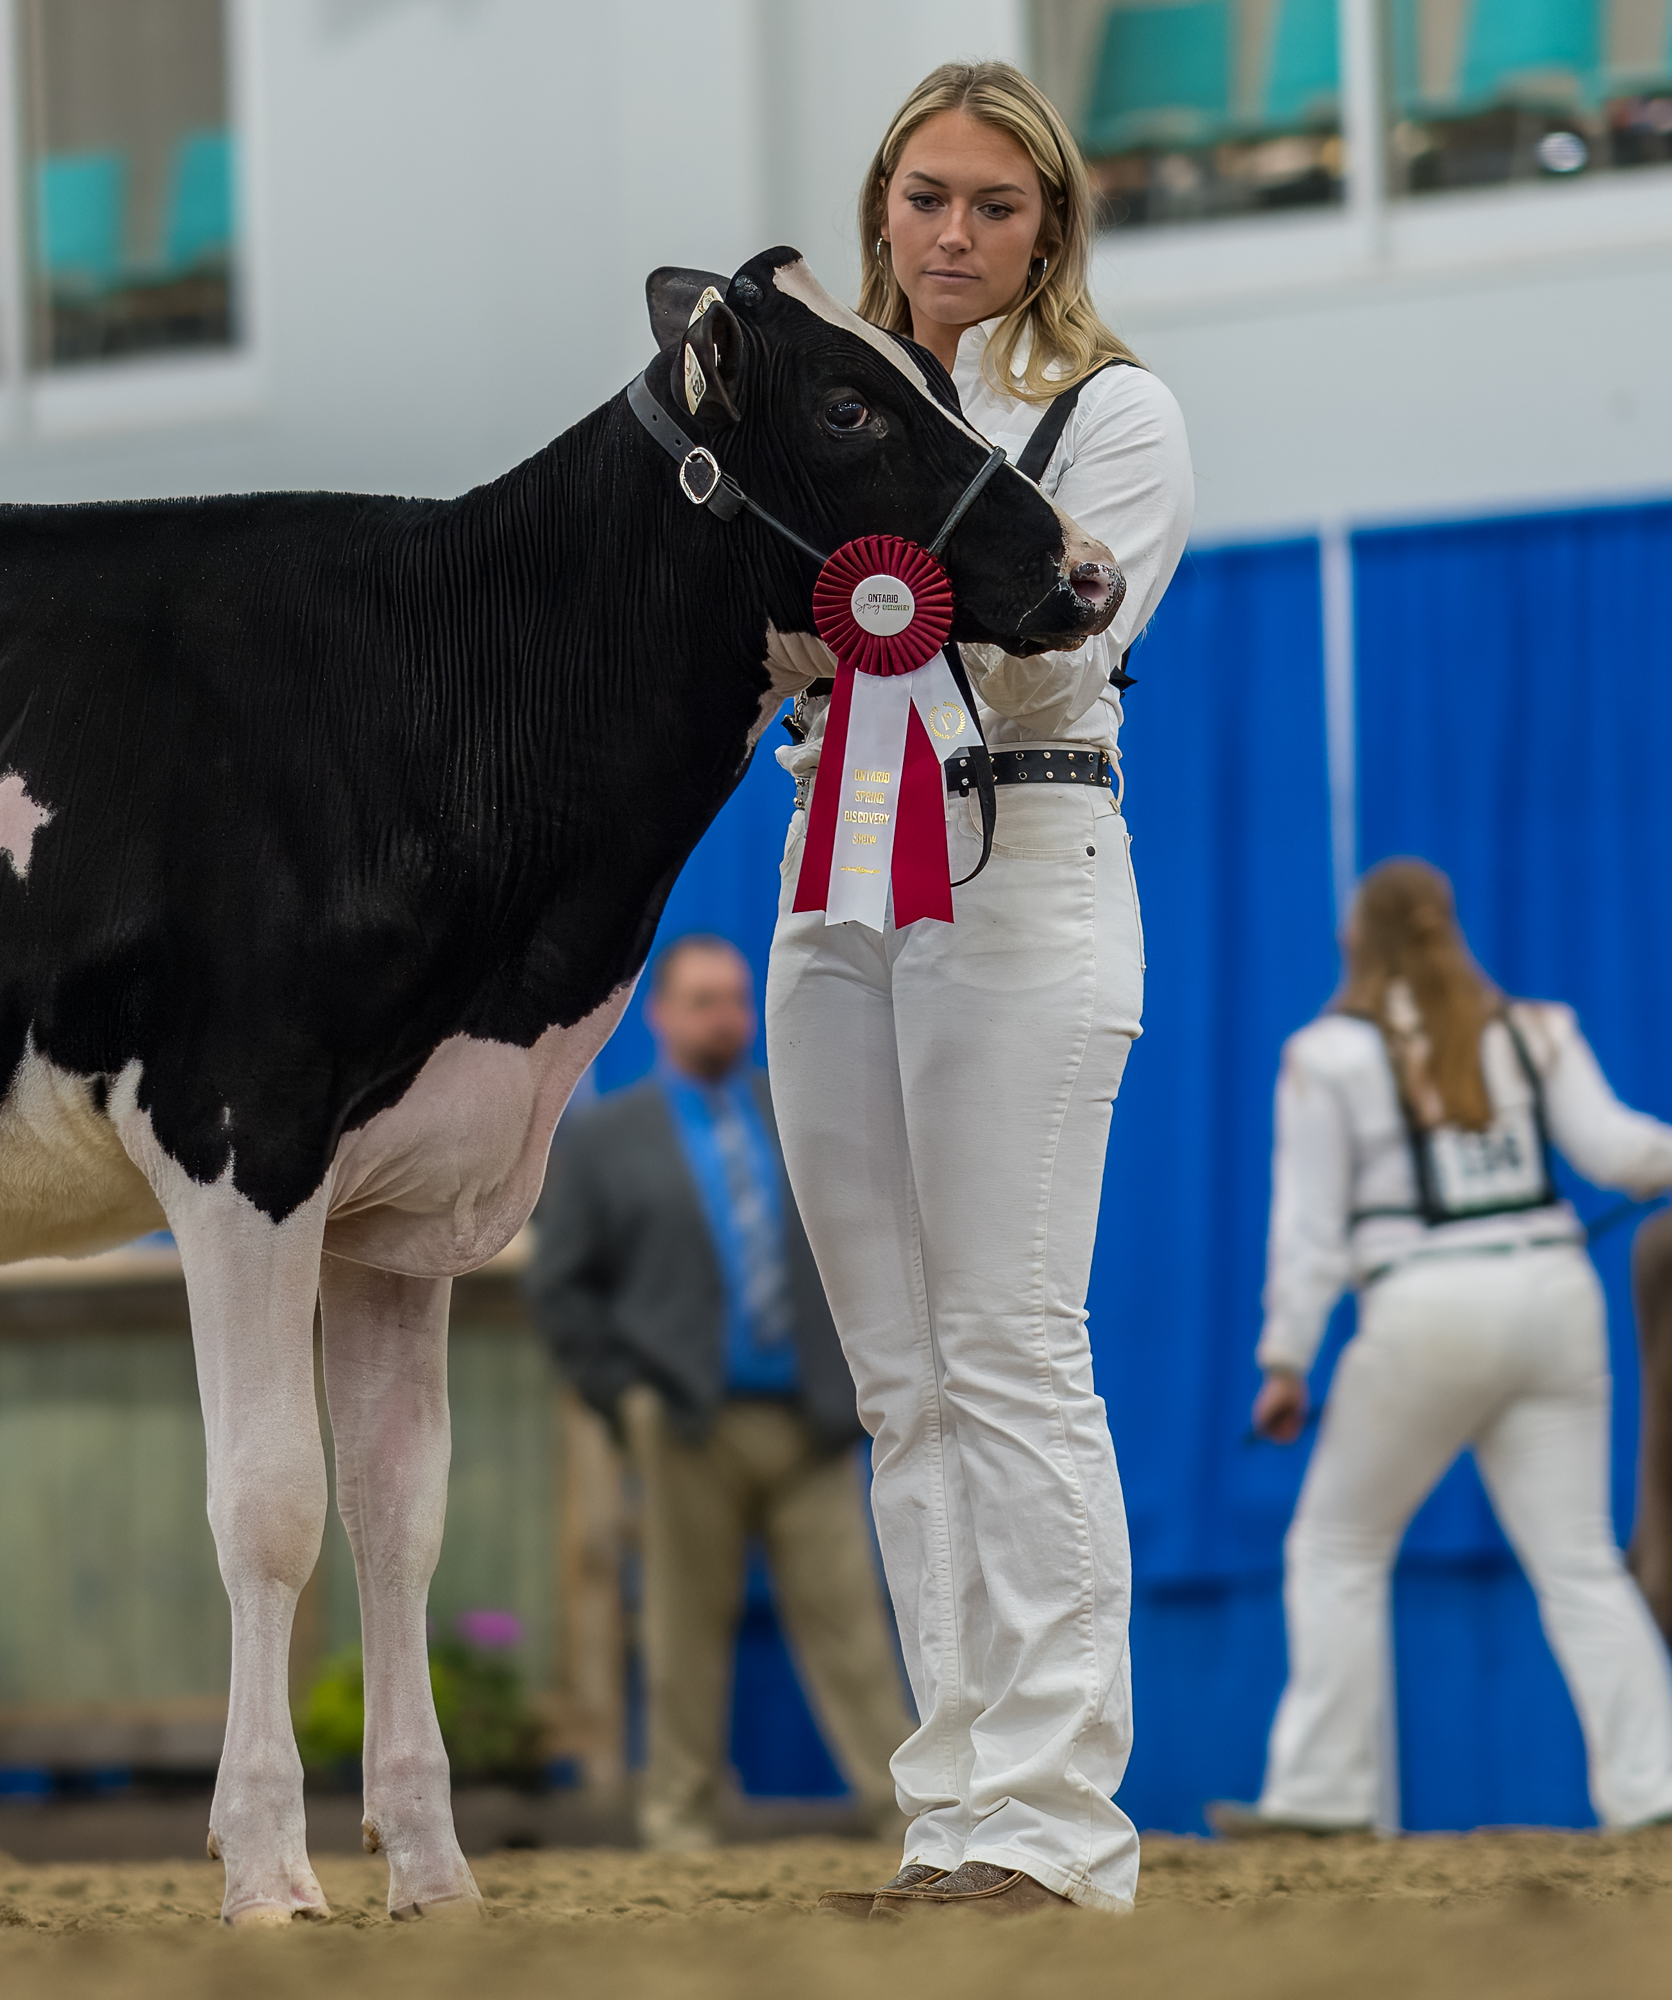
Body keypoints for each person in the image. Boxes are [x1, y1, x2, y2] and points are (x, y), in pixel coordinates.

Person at [767, 62, 1194, 1918]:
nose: (953, 234)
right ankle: (954, 1810)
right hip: (827, 886)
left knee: (1014, 1351)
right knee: (901, 1382)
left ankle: (1055, 1824)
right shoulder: (818, 415)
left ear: (1050, 229)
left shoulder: (1117, 413)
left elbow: (1042, 674)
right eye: (927, 197)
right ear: (881, 207)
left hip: (1025, 872)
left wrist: (899, 603)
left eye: (995, 207)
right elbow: (762, 660)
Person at [1214, 860, 1672, 1837]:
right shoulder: (1537, 1030)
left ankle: (1326, 1793)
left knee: (1336, 1545)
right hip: (1555, 1297)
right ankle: (1655, 1786)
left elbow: (1309, 1233)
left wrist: (1285, 1360)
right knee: (1580, 1559)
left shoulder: (1325, 1052)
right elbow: (1626, 1157)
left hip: (1425, 1308)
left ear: (1359, 941)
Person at [528, 935, 912, 1852]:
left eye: (737, 999)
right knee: (681, 1636)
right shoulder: (603, 1140)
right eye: (703, 1000)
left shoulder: (798, 1116)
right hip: (684, 1422)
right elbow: (562, 1288)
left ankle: (908, 1819)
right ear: (659, 1015)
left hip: (812, 1421)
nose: (724, 1017)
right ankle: (679, 1823)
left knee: (856, 1631)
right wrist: (625, 1400)